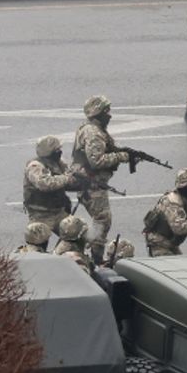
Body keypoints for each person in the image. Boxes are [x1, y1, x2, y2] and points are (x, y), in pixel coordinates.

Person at [71, 96, 131, 264]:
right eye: (106, 111)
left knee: (101, 220)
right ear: (98, 112)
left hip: (92, 182)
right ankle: (94, 257)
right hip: (91, 184)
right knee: (102, 220)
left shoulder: (94, 128)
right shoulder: (93, 132)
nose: (109, 115)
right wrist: (121, 157)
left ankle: (90, 252)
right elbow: (96, 161)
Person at [23, 135, 80, 237]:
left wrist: (81, 183)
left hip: (59, 212)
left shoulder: (58, 163)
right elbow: (44, 184)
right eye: (57, 149)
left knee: (77, 236)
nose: (60, 152)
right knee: (37, 241)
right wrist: (67, 178)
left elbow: (68, 178)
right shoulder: (35, 166)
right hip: (40, 215)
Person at [144, 168, 187, 256]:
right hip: (159, 245)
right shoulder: (173, 202)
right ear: (184, 185)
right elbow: (179, 228)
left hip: (170, 244)